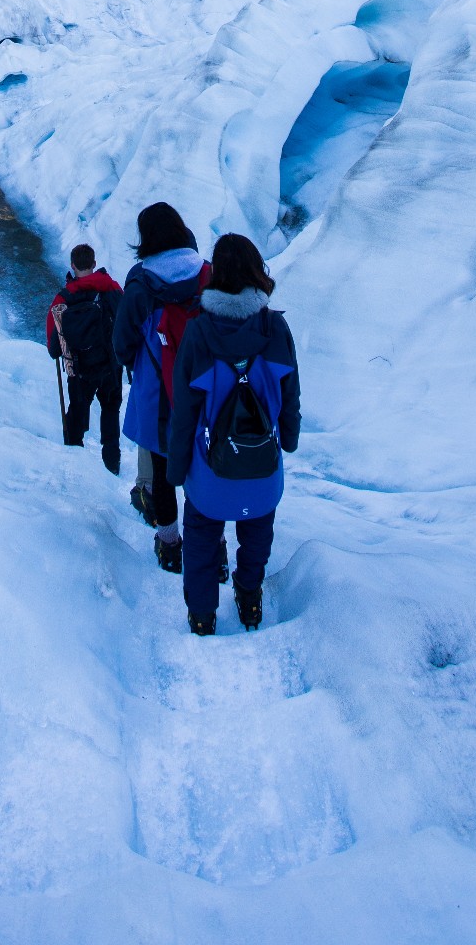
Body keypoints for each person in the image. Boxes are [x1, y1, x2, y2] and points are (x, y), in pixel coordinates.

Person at [167, 234, 300, 636]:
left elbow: (184, 411)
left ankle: (203, 613)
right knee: (257, 531)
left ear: (216, 277)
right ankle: (249, 596)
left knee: (203, 536)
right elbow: (290, 393)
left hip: (210, 469)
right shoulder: (276, 328)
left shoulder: (198, 333)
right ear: (256, 270)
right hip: (262, 462)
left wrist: (176, 469)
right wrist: (288, 439)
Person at [112, 202, 210, 574]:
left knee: (164, 471)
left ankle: (169, 545)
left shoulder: (141, 281)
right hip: (203, 386)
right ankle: (212, 549)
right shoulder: (206, 272)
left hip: (157, 390)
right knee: (201, 465)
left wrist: (129, 362)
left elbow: (122, 339)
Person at [47, 243, 124, 474]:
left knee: (77, 412)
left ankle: (75, 463)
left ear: (72, 266)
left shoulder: (62, 300)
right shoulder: (111, 289)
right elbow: (125, 321)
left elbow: (54, 348)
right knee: (111, 411)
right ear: (93, 264)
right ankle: (112, 463)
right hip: (110, 366)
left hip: (80, 371)